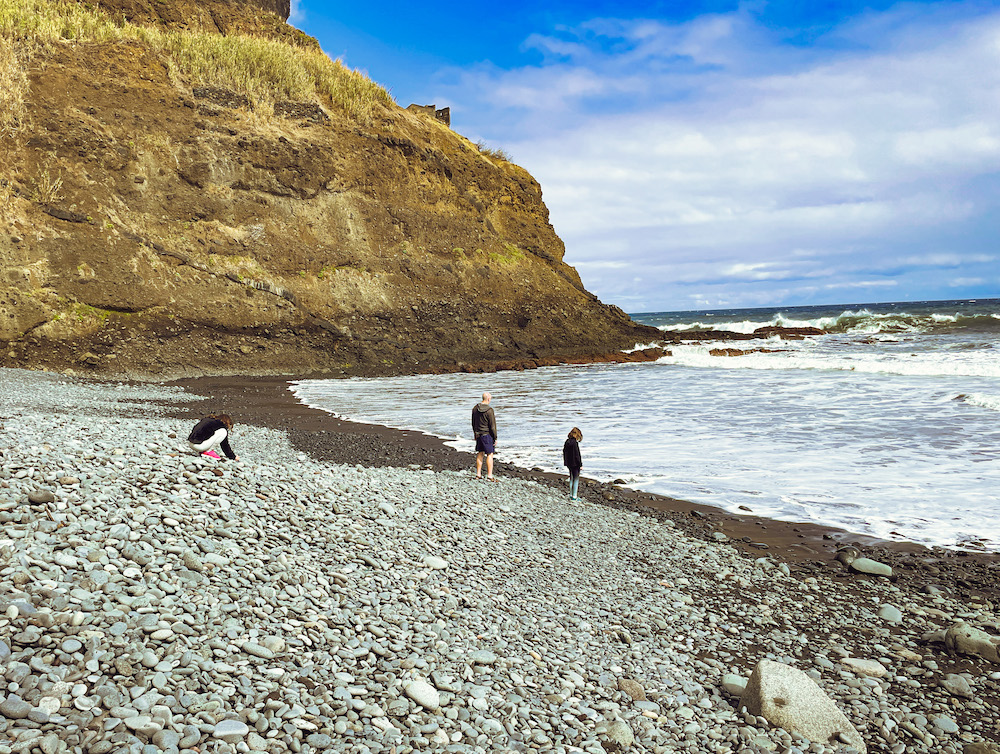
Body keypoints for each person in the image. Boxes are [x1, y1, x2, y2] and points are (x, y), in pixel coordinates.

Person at [472, 392, 497, 481]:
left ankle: (478, 474)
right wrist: (495, 437)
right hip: (487, 435)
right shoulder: (489, 410)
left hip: (478, 433)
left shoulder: (475, 408)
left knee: (480, 453)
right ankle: (489, 476)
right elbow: (492, 426)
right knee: (490, 454)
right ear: (488, 399)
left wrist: (475, 433)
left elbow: (473, 422)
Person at [563, 427, 583, 501]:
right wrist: (580, 464)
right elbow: (577, 455)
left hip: (569, 463)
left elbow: (564, 452)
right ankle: (574, 497)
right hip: (575, 464)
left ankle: (571, 495)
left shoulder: (567, 442)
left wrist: (566, 462)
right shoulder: (575, 443)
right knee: (576, 479)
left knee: (571, 478)